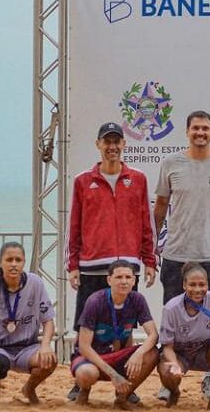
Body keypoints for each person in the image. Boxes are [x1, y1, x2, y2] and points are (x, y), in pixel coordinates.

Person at [65, 122, 156, 402]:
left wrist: (149, 259)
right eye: (107, 141)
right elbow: (75, 225)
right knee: (85, 327)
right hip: (92, 264)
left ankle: (126, 384)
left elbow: (146, 222)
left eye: (117, 141)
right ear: (98, 145)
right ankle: (81, 382)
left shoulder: (138, 178)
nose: (112, 146)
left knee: (126, 327)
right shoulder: (83, 180)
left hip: (128, 264)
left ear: (124, 145)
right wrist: (72, 265)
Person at [154, 110, 210, 399]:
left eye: (205, 128)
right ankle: (170, 382)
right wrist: (154, 243)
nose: (200, 133)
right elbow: (160, 207)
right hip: (176, 254)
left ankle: (209, 378)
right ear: (187, 131)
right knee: (172, 324)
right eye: (195, 128)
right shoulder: (170, 163)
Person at [0, 242, 57, 405]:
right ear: (0, 262)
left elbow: (48, 321)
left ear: (24, 262)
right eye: (9, 259)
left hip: (27, 347)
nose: (13, 264)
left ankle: (29, 388)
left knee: (50, 360)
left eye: (18, 260)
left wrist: (46, 345)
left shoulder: (35, 283)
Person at [71, 260, 160, 410]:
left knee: (152, 353)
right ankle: (84, 391)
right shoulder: (95, 301)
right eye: (119, 277)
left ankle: (122, 398)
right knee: (87, 374)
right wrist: (113, 374)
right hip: (92, 358)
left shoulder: (137, 299)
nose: (124, 281)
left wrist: (138, 354)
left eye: (128, 277)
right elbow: (84, 346)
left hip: (118, 355)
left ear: (134, 280)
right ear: (109, 280)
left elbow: (153, 335)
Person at [157, 262, 210, 410]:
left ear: (207, 285)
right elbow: (167, 347)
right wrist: (174, 364)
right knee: (167, 372)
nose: (198, 290)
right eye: (192, 285)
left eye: (202, 285)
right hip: (180, 355)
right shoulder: (171, 308)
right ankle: (174, 392)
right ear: (184, 286)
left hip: (204, 354)